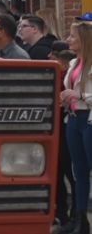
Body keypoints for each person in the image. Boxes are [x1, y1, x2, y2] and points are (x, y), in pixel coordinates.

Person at [59, 21, 92, 234]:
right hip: (73, 118)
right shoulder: (73, 64)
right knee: (78, 172)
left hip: (88, 118)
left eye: (72, 36)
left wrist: (80, 95)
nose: (69, 40)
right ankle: (81, 220)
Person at [50, 40, 77, 230]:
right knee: (61, 172)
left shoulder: (64, 72)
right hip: (63, 126)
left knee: (70, 173)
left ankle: (72, 215)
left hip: (68, 125)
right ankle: (63, 214)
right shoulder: (67, 70)